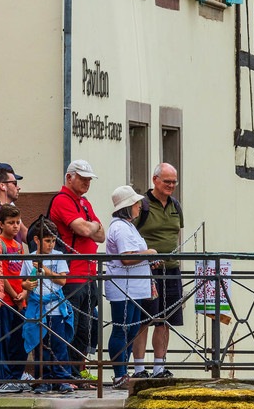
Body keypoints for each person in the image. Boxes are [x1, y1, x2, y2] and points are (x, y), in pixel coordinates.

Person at [49, 160, 106, 378]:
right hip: (71, 274)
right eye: (82, 178)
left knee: (87, 328)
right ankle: (66, 374)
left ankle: (78, 372)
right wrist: (93, 226)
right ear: (69, 177)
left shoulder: (83, 202)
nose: (86, 182)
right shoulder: (62, 200)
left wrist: (92, 227)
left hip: (88, 274)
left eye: (89, 179)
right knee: (70, 327)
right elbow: (83, 229)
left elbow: (101, 235)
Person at [103, 185, 158, 387]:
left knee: (132, 330)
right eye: (136, 203)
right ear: (127, 206)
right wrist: (149, 255)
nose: (139, 206)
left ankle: (122, 371)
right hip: (123, 287)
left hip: (132, 287)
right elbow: (126, 258)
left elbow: (135, 255)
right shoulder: (120, 228)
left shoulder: (128, 226)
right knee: (122, 330)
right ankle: (119, 374)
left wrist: (148, 258)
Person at [132, 162, 183, 378]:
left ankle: (159, 367)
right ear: (155, 180)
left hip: (171, 269)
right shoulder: (141, 205)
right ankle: (139, 369)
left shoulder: (175, 206)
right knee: (144, 319)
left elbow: (177, 234)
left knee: (165, 319)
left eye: (174, 182)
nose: (171, 185)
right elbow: (130, 235)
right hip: (147, 271)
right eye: (167, 181)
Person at [21, 219, 75, 392]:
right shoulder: (29, 259)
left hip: (56, 308)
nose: (51, 245)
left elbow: (62, 279)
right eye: (47, 241)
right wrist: (26, 286)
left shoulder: (58, 257)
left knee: (59, 344)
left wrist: (45, 270)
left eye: (53, 241)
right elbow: (24, 281)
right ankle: (42, 379)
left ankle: (62, 379)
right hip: (38, 307)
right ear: (37, 240)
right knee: (41, 344)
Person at [0, 205, 31, 393]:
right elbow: (1, 273)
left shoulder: (19, 246)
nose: (15, 227)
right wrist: (14, 294)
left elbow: (25, 273)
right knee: (3, 339)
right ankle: (2, 378)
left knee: (19, 340)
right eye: (10, 223)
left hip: (20, 299)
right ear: (1, 224)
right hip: (6, 299)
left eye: (17, 223)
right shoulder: (1, 244)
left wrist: (24, 293)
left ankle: (16, 375)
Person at [0, 163, 24, 228]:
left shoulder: (7, 207)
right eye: (15, 183)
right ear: (2, 186)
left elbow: (23, 234)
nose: (18, 187)